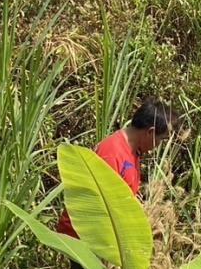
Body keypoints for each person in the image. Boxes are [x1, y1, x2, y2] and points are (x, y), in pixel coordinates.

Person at [57, 98, 178, 243]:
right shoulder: (112, 152)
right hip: (83, 237)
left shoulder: (133, 151)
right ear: (150, 132)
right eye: (161, 139)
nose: (159, 145)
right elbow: (102, 203)